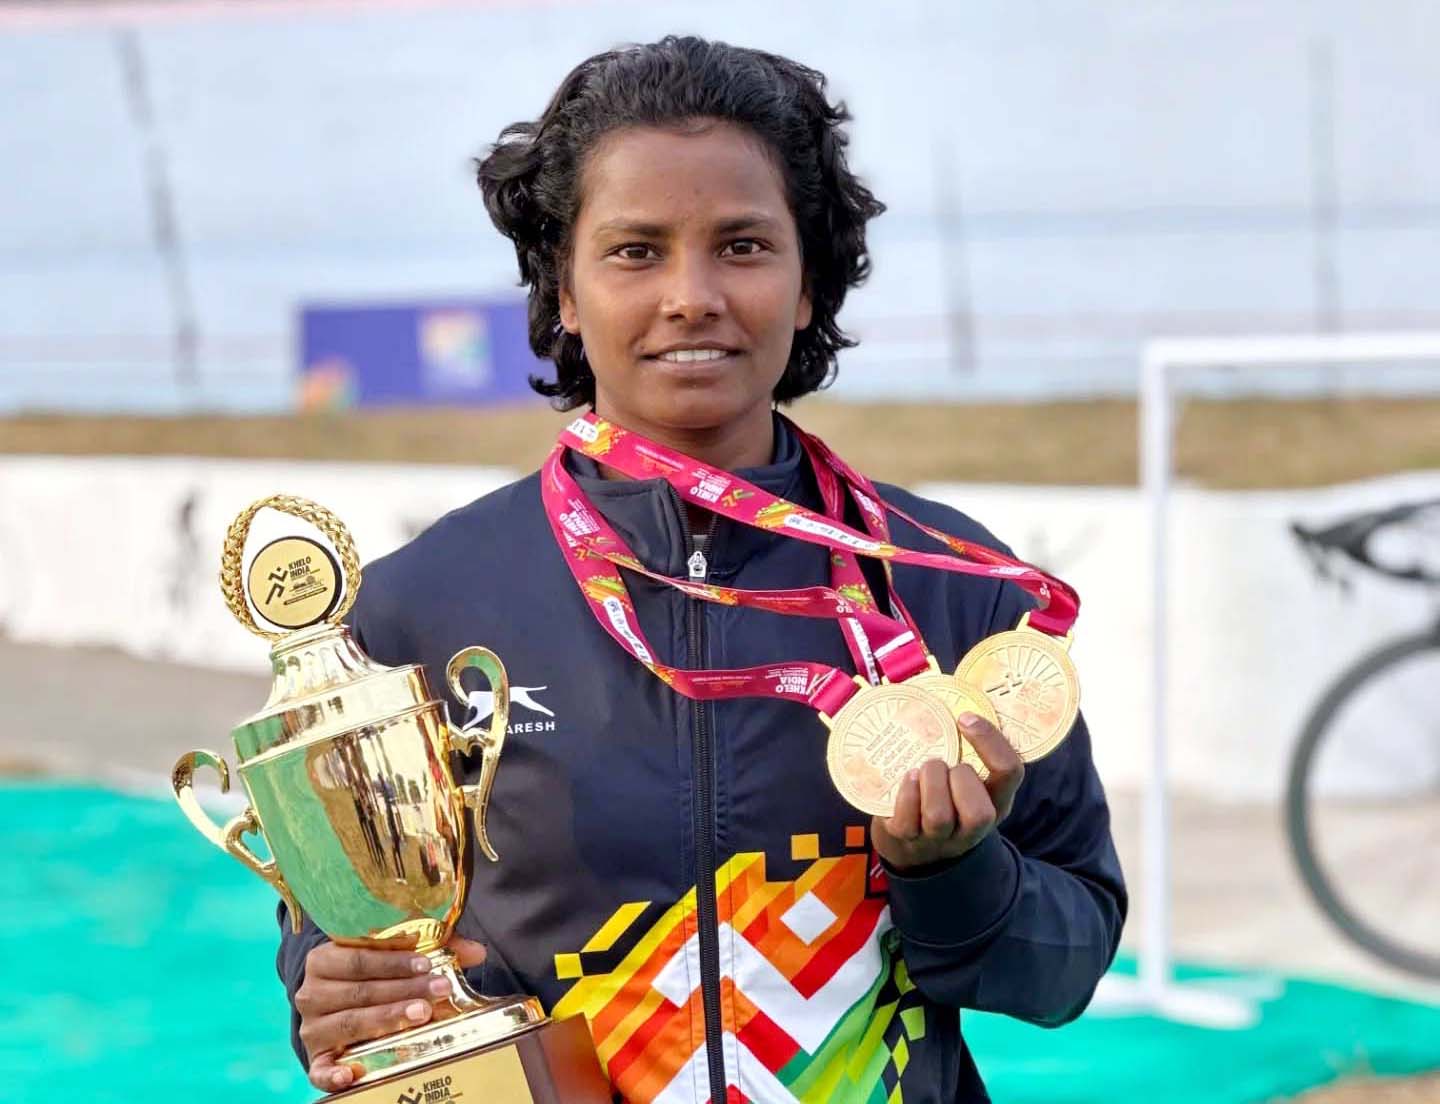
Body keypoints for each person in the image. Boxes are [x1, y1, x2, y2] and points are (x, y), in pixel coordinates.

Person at [278, 35, 1126, 1103]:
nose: (691, 295)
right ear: (565, 290)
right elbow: (341, 961)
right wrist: (337, 996)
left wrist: (957, 872)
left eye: (743, 245)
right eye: (636, 251)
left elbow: (1068, 965)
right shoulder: (418, 610)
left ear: (809, 283)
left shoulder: (952, 590)